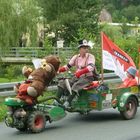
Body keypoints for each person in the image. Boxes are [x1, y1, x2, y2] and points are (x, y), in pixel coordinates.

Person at [56, 39, 98, 108]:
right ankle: (56, 101)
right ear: (80, 48)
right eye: (84, 48)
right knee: (62, 83)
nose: (86, 49)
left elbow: (91, 67)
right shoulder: (76, 57)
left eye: (87, 47)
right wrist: (58, 70)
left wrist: (80, 72)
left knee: (76, 85)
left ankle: (67, 103)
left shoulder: (90, 56)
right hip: (77, 77)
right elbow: (67, 66)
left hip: (87, 78)